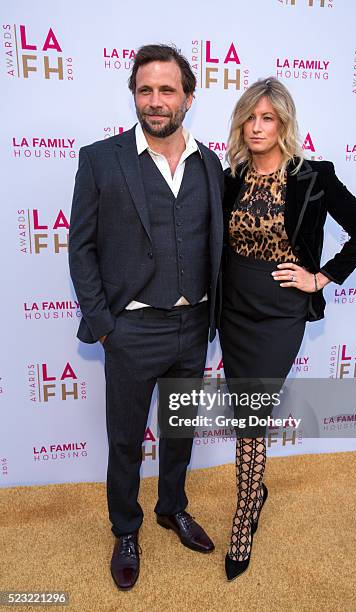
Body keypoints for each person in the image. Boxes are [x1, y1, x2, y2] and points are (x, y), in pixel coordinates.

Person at [68, 44, 224, 590]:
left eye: (167, 90)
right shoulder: (101, 158)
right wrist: (106, 324)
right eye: (145, 90)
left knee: (179, 431)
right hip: (129, 329)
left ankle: (171, 507)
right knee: (126, 440)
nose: (156, 102)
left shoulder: (211, 164)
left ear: (188, 95)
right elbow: (81, 248)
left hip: (192, 326)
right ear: (134, 94)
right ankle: (126, 528)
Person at [219, 77, 356, 581]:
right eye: (251, 117)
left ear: (285, 124)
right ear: (241, 123)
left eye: (268, 118)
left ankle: (245, 513)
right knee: (245, 407)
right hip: (233, 307)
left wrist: (320, 276)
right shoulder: (229, 177)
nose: (258, 126)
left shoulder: (313, 176)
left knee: (253, 410)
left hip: (283, 309)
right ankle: (255, 489)